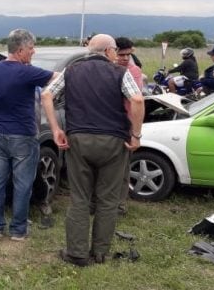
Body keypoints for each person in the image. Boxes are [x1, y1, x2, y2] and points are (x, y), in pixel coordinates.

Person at [41, 34, 144, 267]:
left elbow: (46, 95)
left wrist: (57, 129)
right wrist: (136, 135)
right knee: (107, 200)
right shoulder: (120, 73)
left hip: (78, 140)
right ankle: (100, 252)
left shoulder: (71, 71)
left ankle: (76, 253)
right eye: (116, 51)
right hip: (114, 141)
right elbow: (137, 100)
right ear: (109, 51)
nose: (117, 55)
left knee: (79, 198)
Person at [0, 29, 56, 240]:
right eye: (32, 48)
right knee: (23, 184)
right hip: (23, 135)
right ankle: (18, 230)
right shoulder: (27, 72)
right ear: (21, 49)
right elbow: (59, 78)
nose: (33, 52)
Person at [114, 37, 144, 215]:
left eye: (128, 54)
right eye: (121, 54)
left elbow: (136, 101)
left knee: (122, 167)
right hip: (107, 122)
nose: (124, 58)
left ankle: (120, 204)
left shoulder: (134, 71)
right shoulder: (107, 70)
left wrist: (135, 132)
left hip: (125, 123)